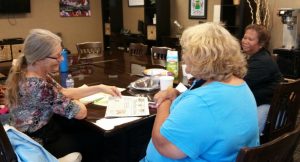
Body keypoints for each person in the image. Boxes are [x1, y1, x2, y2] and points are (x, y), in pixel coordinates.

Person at [141, 22, 259, 162]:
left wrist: (164, 101)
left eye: (185, 51)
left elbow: (164, 146)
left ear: (201, 58)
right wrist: (176, 94)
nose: (183, 56)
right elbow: (210, 117)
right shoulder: (240, 86)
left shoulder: (201, 102)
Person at [4, 29, 121, 161]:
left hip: (25, 133)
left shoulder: (30, 71)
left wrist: (100, 88)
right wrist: (75, 101)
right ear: (39, 58)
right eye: (57, 56)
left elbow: (63, 92)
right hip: (38, 143)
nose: (62, 59)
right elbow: (81, 112)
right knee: (98, 139)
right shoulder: (38, 86)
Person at [241, 24, 282, 134]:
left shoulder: (262, 62)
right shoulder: (255, 56)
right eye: (245, 37)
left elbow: (240, 83)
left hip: (269, 108)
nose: (245, 41)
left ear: (261, 44)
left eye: (250, 39)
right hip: (259, 102)